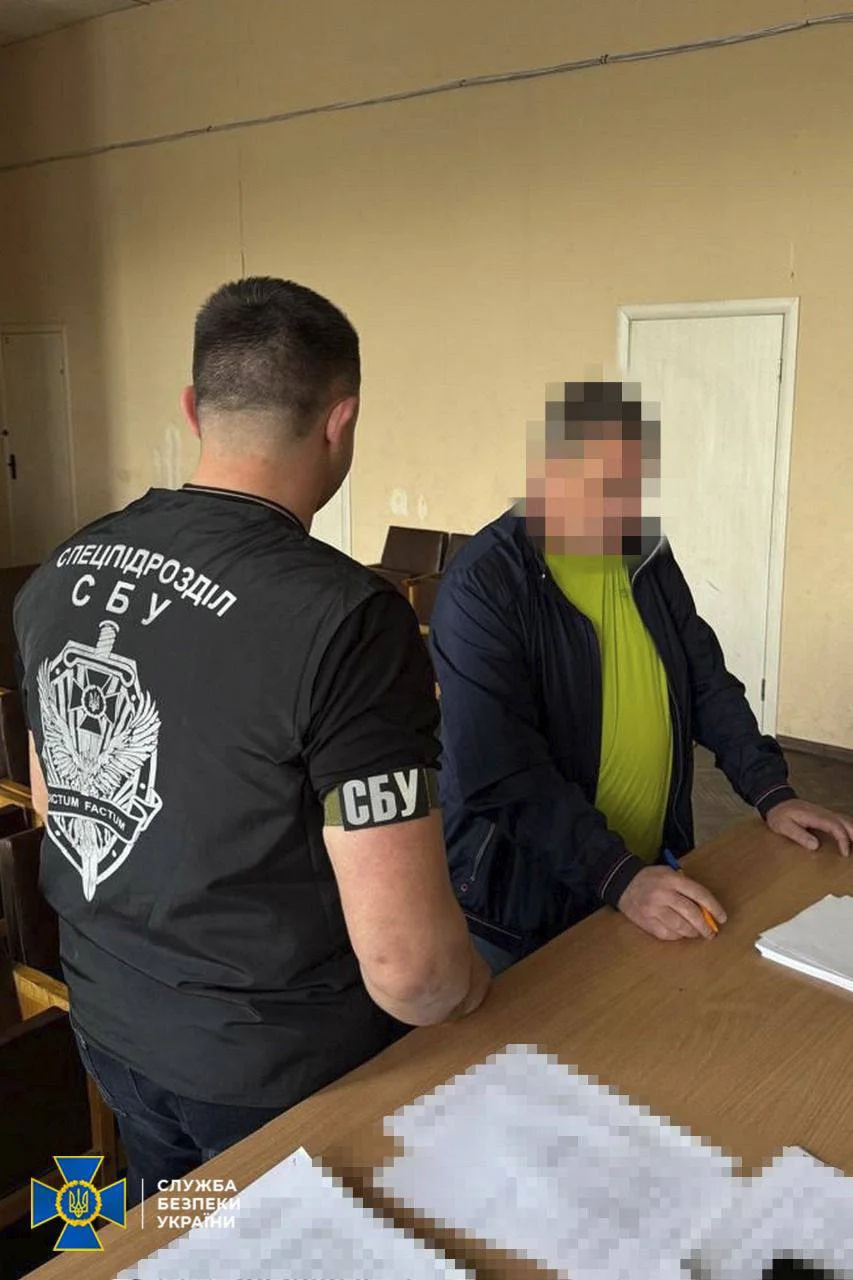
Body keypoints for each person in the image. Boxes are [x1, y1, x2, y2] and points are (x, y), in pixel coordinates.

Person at [14, 277, 490, 1204]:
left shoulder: (62, 569)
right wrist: (475, 986)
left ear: (193, 408)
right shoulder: (348, 621)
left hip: (110, 1026)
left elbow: (55, 802)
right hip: (282, 1074)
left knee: (179, 1236)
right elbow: (410, 973)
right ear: (341, 421)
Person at [430, 380, 853, 975]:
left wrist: (770, 792)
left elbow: (706, 681)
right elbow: (502, 769)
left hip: (642, 878)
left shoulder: (645, 553)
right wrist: (616, 874)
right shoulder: (486, 584)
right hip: (524, 909)